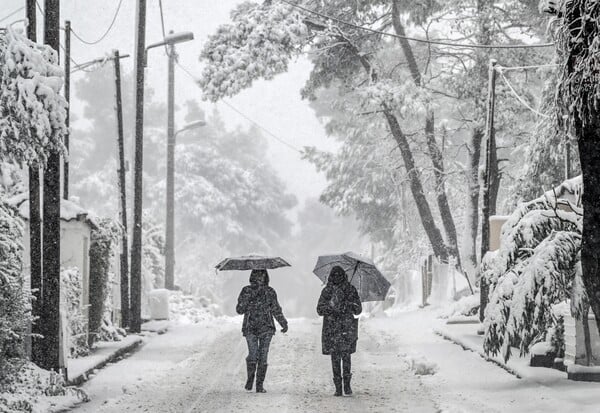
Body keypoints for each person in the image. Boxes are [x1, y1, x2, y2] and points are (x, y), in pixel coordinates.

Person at [236, 269, 288, 393]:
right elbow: (239, 309)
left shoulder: (270, 292)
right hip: (250, 328)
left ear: (266, 277)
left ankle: (259, 385)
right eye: (257, 276)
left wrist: (283, 322)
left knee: (263, 357)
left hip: (267, 328)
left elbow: (276, 309)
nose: (260, 278)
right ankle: (250, 377)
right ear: (252, 277)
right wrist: (249, 299)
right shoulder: (246, 291)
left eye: (262, 276)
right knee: (253, 355)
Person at [317, 265, 362, 396]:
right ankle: (339, 387)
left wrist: (348, 304)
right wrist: (331, 307)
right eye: (334, 276)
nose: (336, 278)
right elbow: (319, 309)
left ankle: (346, 386)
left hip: (345, 329)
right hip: (334, 329)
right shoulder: (327, 291)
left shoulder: (350, 290)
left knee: (344, 357)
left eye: (339, 276)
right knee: (337, 358)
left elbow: (358, 309)